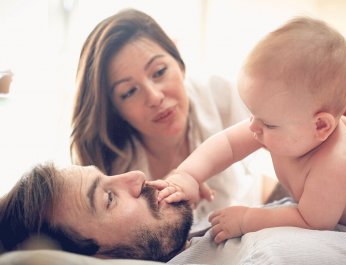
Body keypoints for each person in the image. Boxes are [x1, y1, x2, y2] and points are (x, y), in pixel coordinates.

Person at [0, 98, 346, 264]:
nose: (136, 178)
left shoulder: (197, 242)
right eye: (109, 199)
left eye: (111, 179)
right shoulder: (268, 255)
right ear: (97, 258)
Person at [152, 16, 346, 243]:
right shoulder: (284, 125)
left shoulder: (335, 162)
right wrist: (189, 175)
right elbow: (227, 144)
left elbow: (312, 220)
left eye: (267, 122)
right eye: (253, 114)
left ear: (321, 126)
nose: (253, 127)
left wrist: (246, 219)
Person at [70, 8, 267, 232]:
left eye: (159, 71)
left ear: (179, 63)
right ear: (115, 109)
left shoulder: (220, 95)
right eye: (129, 92)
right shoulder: (111, 172)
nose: (154, 97)